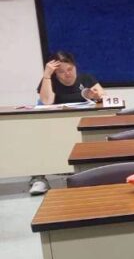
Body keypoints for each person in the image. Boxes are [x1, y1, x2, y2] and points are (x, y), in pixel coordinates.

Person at [30, 51, 105, 195]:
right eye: (61, 72)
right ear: (55, 73)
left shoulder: (86, 78)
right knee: (39, 137)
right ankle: (39, 178)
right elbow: (47, 101)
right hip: (55, 127)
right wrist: (47, 76)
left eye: (70, 69)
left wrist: (97, 97)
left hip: (82, 125)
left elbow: (103, 97)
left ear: (75, 66)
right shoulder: (49, 81)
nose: (67, 74)